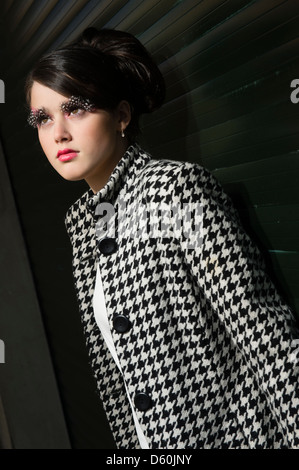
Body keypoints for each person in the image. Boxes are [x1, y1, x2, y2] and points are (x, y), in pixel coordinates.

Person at [25, 27, 299, 449]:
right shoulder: (82, 222)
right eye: (43, 118)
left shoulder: (176, 190)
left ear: (121, 115)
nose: (57, 132)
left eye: (76, 108)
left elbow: (265, 336)